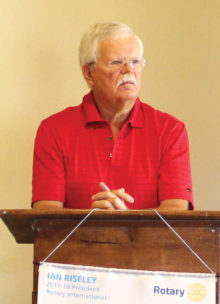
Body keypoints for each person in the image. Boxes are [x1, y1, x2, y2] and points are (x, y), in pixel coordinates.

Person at [32, 22, 193, 211]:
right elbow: (45, 213)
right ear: (89, 73)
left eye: (135, 61)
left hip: (150, 243)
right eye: (117, 62)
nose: (129, 69)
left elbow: (176, 211)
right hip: (77, 242)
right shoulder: (53, 130)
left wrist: (124, 222)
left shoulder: (170, 130)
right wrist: (95, 223)